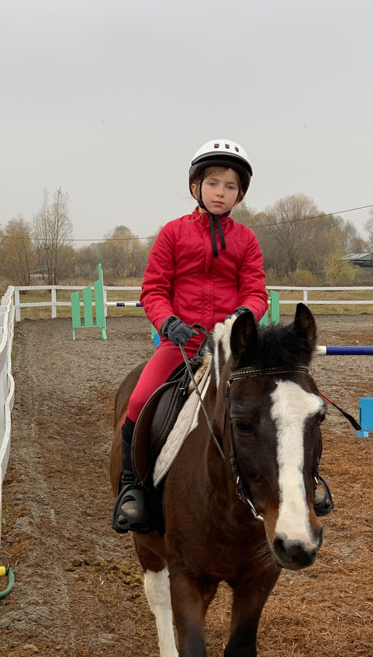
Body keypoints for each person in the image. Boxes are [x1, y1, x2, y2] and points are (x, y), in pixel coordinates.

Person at [112, 139, 269, 534]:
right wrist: (168, 323)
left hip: (230, 347)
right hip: (180, 343)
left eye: (230, 186)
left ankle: (303, 482)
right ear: (195, 187)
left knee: (281, 401)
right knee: (139, 400)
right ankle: (132, 487)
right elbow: (153, 290)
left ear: (240, 194)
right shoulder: (172, 234)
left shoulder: (246, 240)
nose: (221, 193)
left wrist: (244, 314)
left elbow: (256, 292)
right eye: (213, 183)